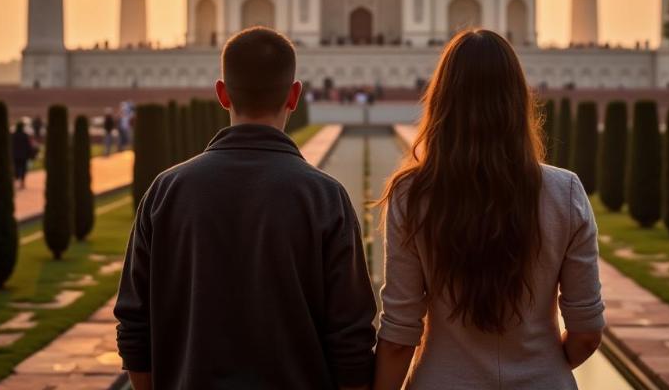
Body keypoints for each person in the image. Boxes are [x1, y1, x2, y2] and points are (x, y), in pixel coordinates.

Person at [115, 26, 376, 390]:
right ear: (294, 95)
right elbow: (351, 339)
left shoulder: (167, 192)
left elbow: (134, 328)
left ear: (221, 93)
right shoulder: (323, 197)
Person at [374, 29, 605, 390]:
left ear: (441, 102)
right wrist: (542, 367)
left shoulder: (412, 194)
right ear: (517, 100)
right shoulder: (565, 193)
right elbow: (587, 333)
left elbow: (399, 333)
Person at [11, 121, 36, 189]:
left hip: (15, 155)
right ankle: (22, 182)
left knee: (16, 168)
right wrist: (30, 154)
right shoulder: (25, 135)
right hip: (23, 156)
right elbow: (28, 146)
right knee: (23, 169)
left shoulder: (13, 135)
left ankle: (16, 181)